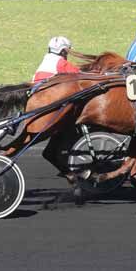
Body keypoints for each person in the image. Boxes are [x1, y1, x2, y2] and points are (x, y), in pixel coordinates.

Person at [32, 37, 82, 177]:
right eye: (67, 51)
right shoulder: (61, 62)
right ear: (63, 51)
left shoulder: (47, 58)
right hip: (47, 100)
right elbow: (80, 76)